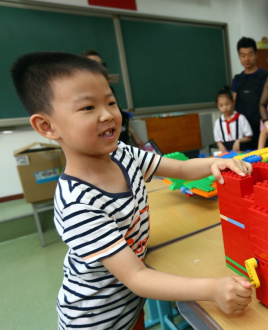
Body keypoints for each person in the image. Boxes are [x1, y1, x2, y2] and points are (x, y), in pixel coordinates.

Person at [11, 52, 253, 329]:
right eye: (88, 108)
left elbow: (180, 170)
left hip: (130, 305)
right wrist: (212, 289)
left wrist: (216, 162)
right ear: (47, 126)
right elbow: (137, 276)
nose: (108, 115)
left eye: (111, 102)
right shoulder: (77, 204)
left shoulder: (123, 154)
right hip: (97, 321)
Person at [81, 49, 145, 149]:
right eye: (93, 64)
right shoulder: (81, 93)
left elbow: (120, 115)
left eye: (101, 64)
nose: (99, 68)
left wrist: (135, 137)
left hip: (119, 138)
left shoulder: (109, 89)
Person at [231, 37, 268, 150]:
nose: (246, 58)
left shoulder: (265, 76)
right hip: (243, 133)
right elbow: (233, 104)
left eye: (250, 54)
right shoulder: (237, 80)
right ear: (239, 56)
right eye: (242, 55)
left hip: (262, 128)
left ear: (256, 55)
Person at [213, 86, 253, 152]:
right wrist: (220, 145)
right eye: (221, 105)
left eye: (227, 104)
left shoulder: (241, 118)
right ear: (217, 106)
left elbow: (249, 137)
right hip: (226, 153)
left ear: (233, 103)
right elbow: (217, 139)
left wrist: (238, 141)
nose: (225, 108)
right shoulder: (218, 122)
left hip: (240, 151)